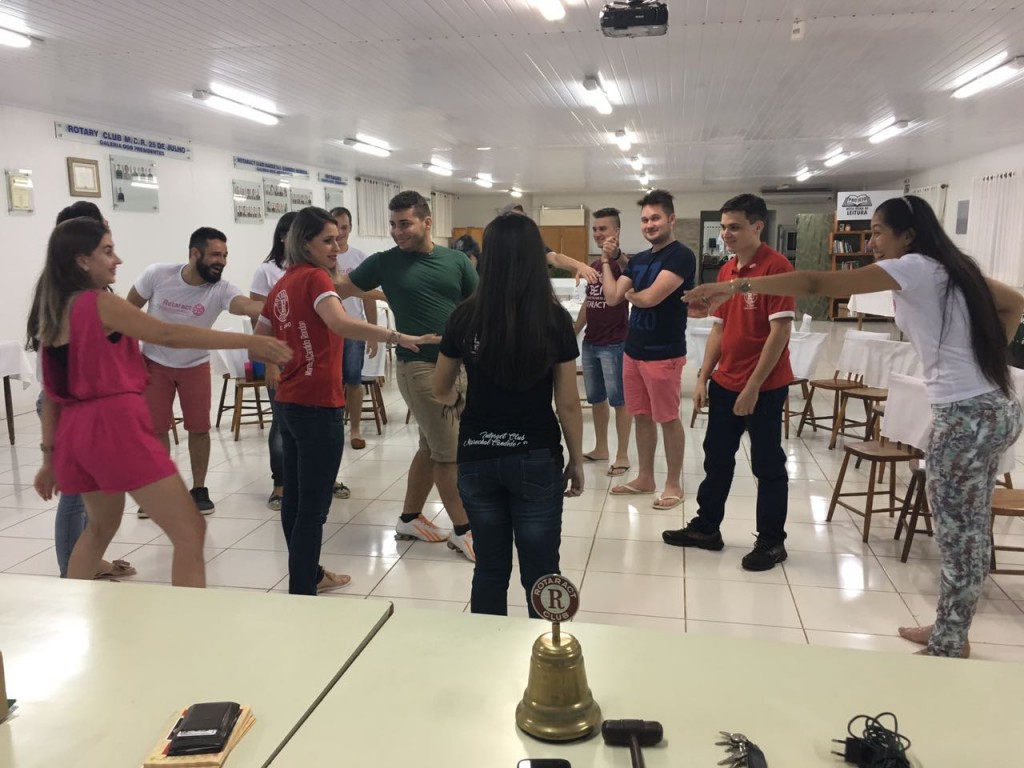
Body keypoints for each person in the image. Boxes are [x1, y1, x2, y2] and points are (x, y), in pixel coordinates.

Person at [682, 194, 1024, 657]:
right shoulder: (949, 268)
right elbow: (1014, 304)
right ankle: (951, 626)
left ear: (908, 235)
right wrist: (988, 363)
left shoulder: (913, 267)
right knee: (969, 527)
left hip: (966, 416)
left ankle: (950, 642)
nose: (871, 241)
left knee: (958, 533)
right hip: (990, 407)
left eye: (879, 231)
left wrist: (737, 287)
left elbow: (816, 282)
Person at [29, 218, 291, 587]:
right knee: (190, 530)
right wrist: (248, 342)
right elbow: (166, 333)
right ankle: (184, 619)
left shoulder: (55, 310)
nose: (117, 259)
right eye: (107, 250)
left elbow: (53, 397)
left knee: (100, 527)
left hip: (78, 435)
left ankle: (72, 604)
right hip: (114, 428)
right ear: (81, 260)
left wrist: (49, 457)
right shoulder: (99, 303)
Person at [255, 206, 439, 595]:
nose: (336, 247)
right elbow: (339, 322)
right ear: (305, 243)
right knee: (313, 508)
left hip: (289, 403)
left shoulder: (283, 283)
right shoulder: (316, 277)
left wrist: (293, 356)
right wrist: (397, 336)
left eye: (338, 239)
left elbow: (259, 341)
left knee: (295, 500)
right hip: (317, 405)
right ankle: (303, 588)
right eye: (327, 240)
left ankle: (308, 575)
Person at [433, 212, 583, 616]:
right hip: (536, 455)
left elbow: (439, 387)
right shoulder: (554, 319)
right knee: (541, 572)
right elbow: (568, 403)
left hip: (476, 455)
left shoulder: (464, 316)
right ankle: (545, 651)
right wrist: (577, 459)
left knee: (489, 569)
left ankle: (489, 648)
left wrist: (461, 405)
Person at [335, 191, 479, 561]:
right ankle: (464, 531)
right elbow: (339, 288)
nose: (397, 231)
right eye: (393, 224)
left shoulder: (456, 261)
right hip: (419, 367)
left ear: (427, 223)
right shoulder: (384, 262)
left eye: (405, 224)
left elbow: (477, 307)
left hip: (458, 365)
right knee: (448, 453)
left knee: (431, 447)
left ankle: (410, 519)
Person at [662, 194, 796, 571]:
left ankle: (771, 540)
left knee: (767, 464)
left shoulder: (777, 269)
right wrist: (704, 376)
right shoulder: (727, 272)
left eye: (734, 227)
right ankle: (707, 527)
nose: (726, 234)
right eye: (723, 227)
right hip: (726, 382)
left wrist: (753, 387)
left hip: (764, 387)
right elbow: (719, 329)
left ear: (758, 226)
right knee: (716, 458)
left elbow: (780, 333)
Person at [25, 202, 134, 580]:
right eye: (100, 234)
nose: (110, 250)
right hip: (67, 403)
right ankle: (70, 575)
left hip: (80, 402)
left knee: (91, 498)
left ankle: (85, 565)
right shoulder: (63, 291)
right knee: (75, 497)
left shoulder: (85, 287)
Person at [127, 227, 265, 515]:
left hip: (195, 366)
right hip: (154, 364)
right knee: (156, 430)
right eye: (215, 255)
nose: (222, 261)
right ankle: (159, 492)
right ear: (194, 253)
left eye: (225, 255)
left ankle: (199, 489)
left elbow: (246, 306)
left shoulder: (221, 289)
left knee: (199, 429)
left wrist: (275, 304)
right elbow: (127, 312)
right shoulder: (157, 274)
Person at [602, 189, 695, 510]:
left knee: (667, 418)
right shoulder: (640, 259)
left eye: (656, 218)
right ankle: (645, 477)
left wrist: (631, 293)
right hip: (633, 351)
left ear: (671, 219)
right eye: (644, 220)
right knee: (640, 416)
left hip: (664, 353)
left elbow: (649, 298)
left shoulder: (681, 256)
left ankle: (673, 484)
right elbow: (612, 297)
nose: (650, 224)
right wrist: (607, 261)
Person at [574, 206, 632, 477]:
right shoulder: (595, 266)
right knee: (596, 398)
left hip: (615, 344)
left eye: (603, 229)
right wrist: (575, 330)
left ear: (616, 231)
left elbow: (627, 277)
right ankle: (601, 448)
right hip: (591, 342)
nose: (597, 233)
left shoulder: (622, 264)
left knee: (619, 400)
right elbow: (590, 301)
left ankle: (622, 454)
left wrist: (613, 257)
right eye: (595, 229)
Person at [250, 211, 297, 511]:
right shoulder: (266, 272)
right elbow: (259, 320)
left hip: (308, 357)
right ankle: (280, 486)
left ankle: (318, 478)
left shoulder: (315, 269)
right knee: (281, 422)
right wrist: (268, 362)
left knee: (312, 422)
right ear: (282, 237)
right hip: (277, 357)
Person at [330, 206, 379, 455]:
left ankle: (356, 429)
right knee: (331, 382)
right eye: (336, 227)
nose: (340, 233)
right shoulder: (323, 257)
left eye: (345, 227)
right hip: (328, 330)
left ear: (351, 228)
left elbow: (368, 298)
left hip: (354, 331)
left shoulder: (359, 258)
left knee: (353, 380)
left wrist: (372, 333)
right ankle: (333, 428)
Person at [501, 203, 598, 284]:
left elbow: (555, 258)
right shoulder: (497, 245)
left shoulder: (531, 244)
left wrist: (579, 265)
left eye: (521, 218)